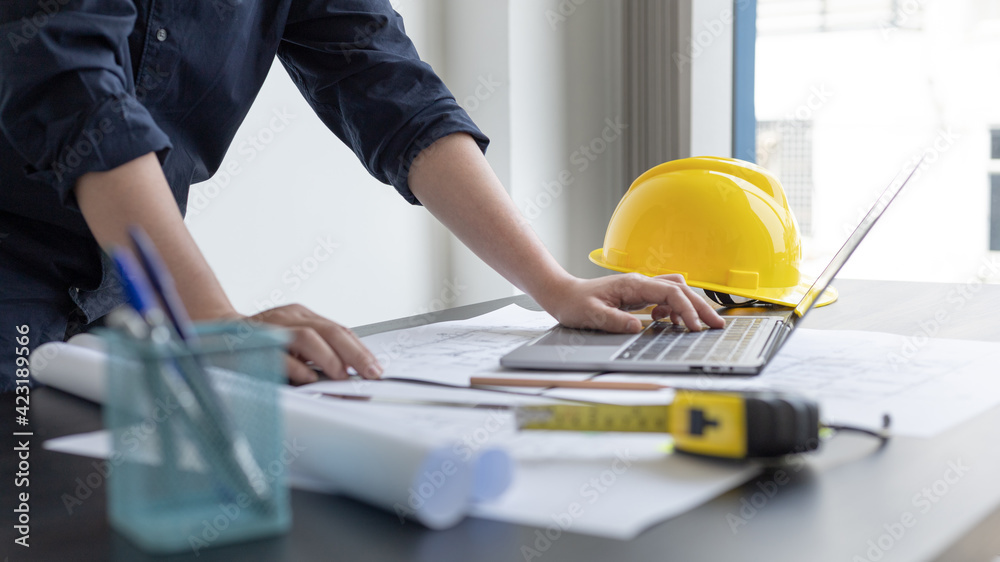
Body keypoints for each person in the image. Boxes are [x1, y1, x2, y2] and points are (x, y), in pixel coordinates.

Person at [0, 0, 724, 392]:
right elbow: (74, 91)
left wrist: (554, 286)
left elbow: (391, 88)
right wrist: (216, 322)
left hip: (131, 300)